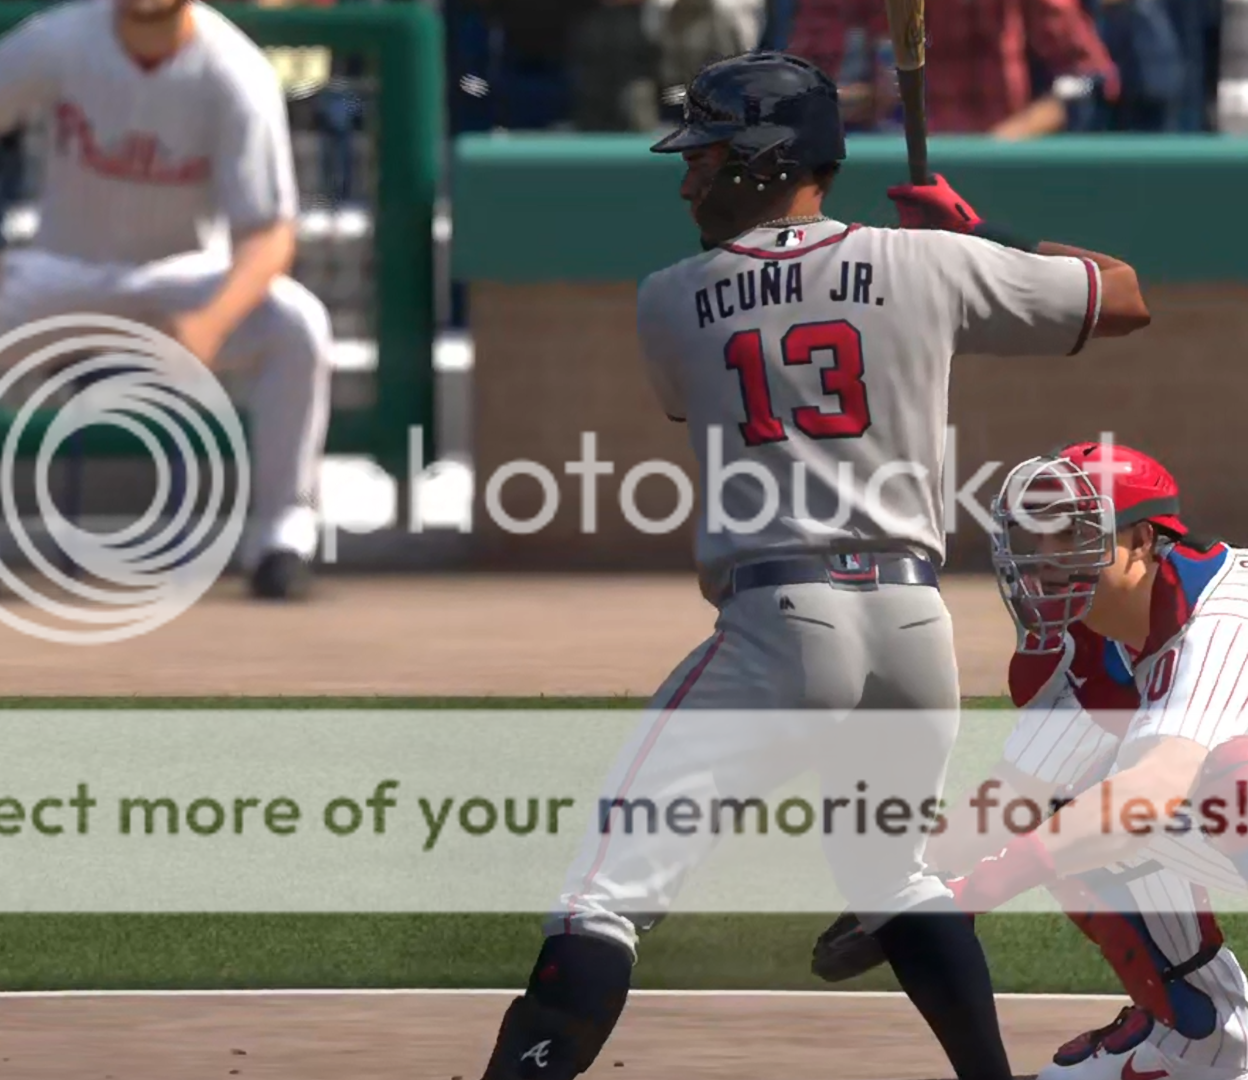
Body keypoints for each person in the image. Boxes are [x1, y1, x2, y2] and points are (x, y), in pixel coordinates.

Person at [476, 51, 1151, 1080]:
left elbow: (706, 386)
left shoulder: (671, 297)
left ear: (761, 159)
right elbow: (1124, 297)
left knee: (606, 896)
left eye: (705, 156)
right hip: (916, 634)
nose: (687, 178)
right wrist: (970, 241)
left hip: (782, 622)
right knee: (894, 875)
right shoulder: (929, 262)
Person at [808, 440, 1248, 1080]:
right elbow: (1017, 793)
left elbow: (1152, 792)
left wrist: (980, 891)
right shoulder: (1101, 636)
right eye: (1034, 537)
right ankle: (1197, 1035)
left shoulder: (1236, 612)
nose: (1044, 558)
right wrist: (908, 891)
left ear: (1145, 541)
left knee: (1234, 781)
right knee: (1073, 800)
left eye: (1072, 535)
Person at [0, 0, 332, 604]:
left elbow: (269, 233)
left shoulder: (234, 67)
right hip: (63, 273)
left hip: (182, 278)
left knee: (299, 325)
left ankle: (283, 539)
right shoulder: (64, 38)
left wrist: (211, 322)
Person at [786, 0, 1119, 138]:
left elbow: (1089, 78)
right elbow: (798, 90)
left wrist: (1002, 144)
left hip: (995, 168)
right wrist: (864, 101)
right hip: (886, 175)